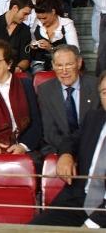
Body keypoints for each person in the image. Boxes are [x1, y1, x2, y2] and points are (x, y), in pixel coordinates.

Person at [30, 72, 106, 228]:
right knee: (31, 230)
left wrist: (91, 225)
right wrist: (66, 154)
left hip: (103, 209)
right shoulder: (94, 118)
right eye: (105, 92)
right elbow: (71, 139)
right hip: (77, 199)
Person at [38, 44, 99, 155]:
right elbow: (50, 132)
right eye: (59, 65)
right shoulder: (45, 90)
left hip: (91, 148)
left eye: (69, 64)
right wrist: (67, 151)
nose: (64, 71)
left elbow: (98, 127)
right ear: (53, 65)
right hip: (59, 149)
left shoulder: (96, 86)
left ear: (79, 63)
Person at [30, 0, 79, 73]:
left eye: (44, 18)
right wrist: (33, 45)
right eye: (39, 18)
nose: (42, 22)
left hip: (63, 62)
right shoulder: (36, 24)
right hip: (40, 63)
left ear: (53, 12)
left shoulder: (66, 24)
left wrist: (51, 49)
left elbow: (75, 51)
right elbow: (32, 40)